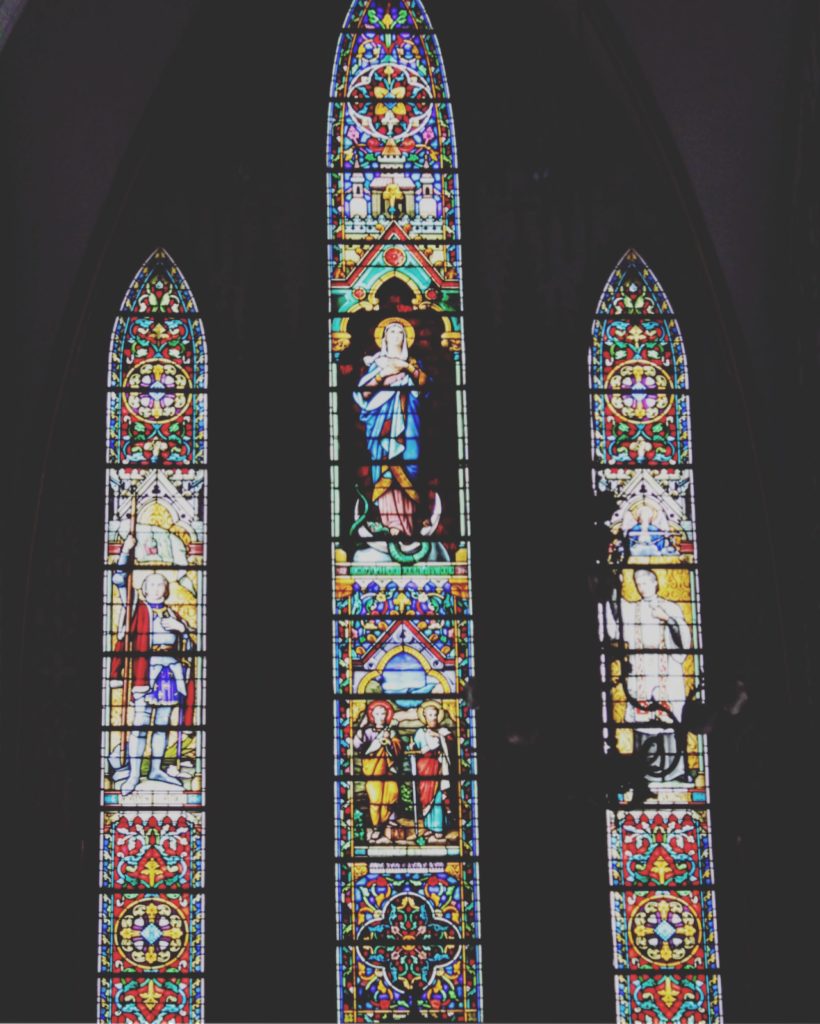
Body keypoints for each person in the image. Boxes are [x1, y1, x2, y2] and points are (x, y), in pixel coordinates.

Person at [110, 533, 195, 796]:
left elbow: (191, 647)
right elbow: (119, 579)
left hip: (170, 674)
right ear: (144, 589)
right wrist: (126, 551)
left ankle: (156, 769)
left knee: (161, 725)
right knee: (140, 726)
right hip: (145, 675)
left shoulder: (172, 613)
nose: (158, 589)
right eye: (153, 585)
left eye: (162, 585)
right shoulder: (138, 607)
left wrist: (181, 629)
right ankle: (134, 775)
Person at [613, 567, 691, 781]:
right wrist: (613, 585)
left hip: (666, 671)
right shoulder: (633, 609)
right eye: (638, 584)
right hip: (642, 672)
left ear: (655, 582)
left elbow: (684, 642)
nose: (641, 587)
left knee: (670, 718)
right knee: (644, 716)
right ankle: (644, 773)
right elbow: (615, 613)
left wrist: (667, 619)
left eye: (645, 582)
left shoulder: (670, 607)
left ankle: (677, 771)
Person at [354, 318, 427, 537]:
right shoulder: (377, 365)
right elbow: (363, 393)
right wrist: (383, 374)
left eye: (400, 331)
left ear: (406, 339)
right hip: (381, 424)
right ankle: (390, 523)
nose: (396, 334)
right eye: (392, 331)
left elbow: (424, 386)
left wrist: (405, 367)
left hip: (408, 425)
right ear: (384, 338)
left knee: (408, 466)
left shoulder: (413, 364)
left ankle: (409, 525)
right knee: (385, 466)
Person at [353, 700, 403, 842]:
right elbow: (357, 745)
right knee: (375, 801)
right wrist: (361, 728)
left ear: (387, 715)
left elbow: (398, 749)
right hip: (373, 771)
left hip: (389, 772)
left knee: (392, 796)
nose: (381, 716)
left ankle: (390, 822)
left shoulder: (391, 731)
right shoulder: (368, 731)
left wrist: (390, 743)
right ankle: (376, 828)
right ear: (372, 716)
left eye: (383, 713)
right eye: (377, 714)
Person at [411, 700, 452, 839]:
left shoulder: (443, 731)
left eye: (435, 714)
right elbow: (412, 748)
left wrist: (441, 738)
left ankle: (439, 828)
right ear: (425, 717)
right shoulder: (419, 733)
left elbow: (452, 745)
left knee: (438, 797)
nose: (433, 717)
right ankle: (429, 826)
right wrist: (411, 747)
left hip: (439, 767)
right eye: (430, 715)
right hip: (425, 768)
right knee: (425, 798)